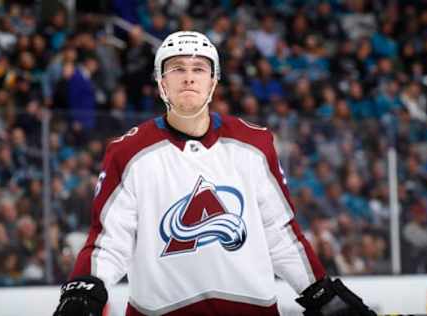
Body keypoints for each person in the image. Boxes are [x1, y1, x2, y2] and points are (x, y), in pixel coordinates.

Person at [53, 31, 375, 316]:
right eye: (177, 69)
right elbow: (111, 240)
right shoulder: (128, 152)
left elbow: (279, 232)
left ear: (213, 80)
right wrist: (86, 285)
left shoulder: (255, 144)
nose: (189, 78)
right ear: (161, 81)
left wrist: (317, 288)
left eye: (198, 69)